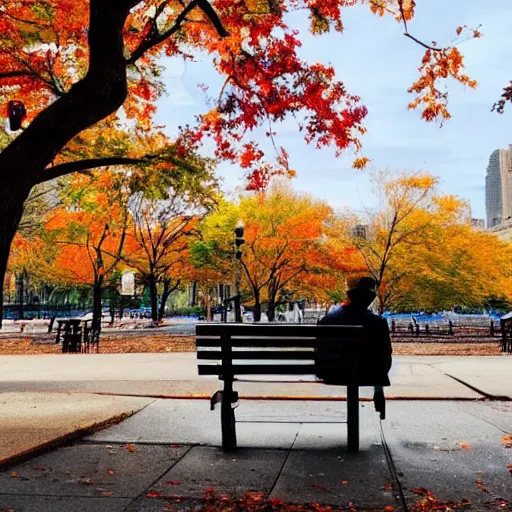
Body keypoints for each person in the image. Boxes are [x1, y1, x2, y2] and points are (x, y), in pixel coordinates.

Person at [318, 275, 392, 419]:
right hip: (368, 373)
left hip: (330, 372)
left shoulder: (327, 320)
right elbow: (385, 353)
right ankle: (378, 391)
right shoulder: (378, 323)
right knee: (377, 359)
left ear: (349, 295)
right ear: (371, 298)